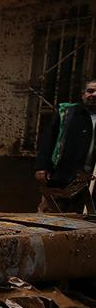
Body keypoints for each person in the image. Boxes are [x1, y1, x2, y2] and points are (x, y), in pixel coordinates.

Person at [35, 79, 96, 213]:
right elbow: (49, 139)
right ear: (83, 94)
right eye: (90, 91)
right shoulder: (68, 113)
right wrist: (42, 166)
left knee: (84, 219)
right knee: (52, 214)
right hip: (62, 175)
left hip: (90, 179)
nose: (94, 94)